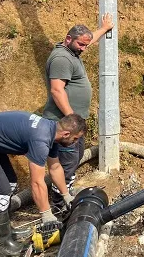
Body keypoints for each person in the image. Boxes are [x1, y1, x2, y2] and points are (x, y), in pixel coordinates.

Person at [42, 13, 114, 212]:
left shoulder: (72, 52)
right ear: (68, 39)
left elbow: (87, 42)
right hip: (64, 124)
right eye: (81, 45)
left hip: (73, 123)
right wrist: (73, 121)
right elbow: (57, 90)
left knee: (73, 160)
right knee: (65, 165)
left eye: (85, 45)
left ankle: (65, 197)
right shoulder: (61, 58)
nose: (84, 48)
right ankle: (59, 208)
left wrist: (104, 28)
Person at [0, 112, 85, 257]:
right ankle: (1, 245)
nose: (75, 143)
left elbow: (55, 168)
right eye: (75, 138)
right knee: (0, 191)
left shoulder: (52, 132)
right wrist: (47, 214)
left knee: (10, 184)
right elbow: (37, 182)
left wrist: (66, 195)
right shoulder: (40, 139)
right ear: (66, 133)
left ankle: (5, 231)